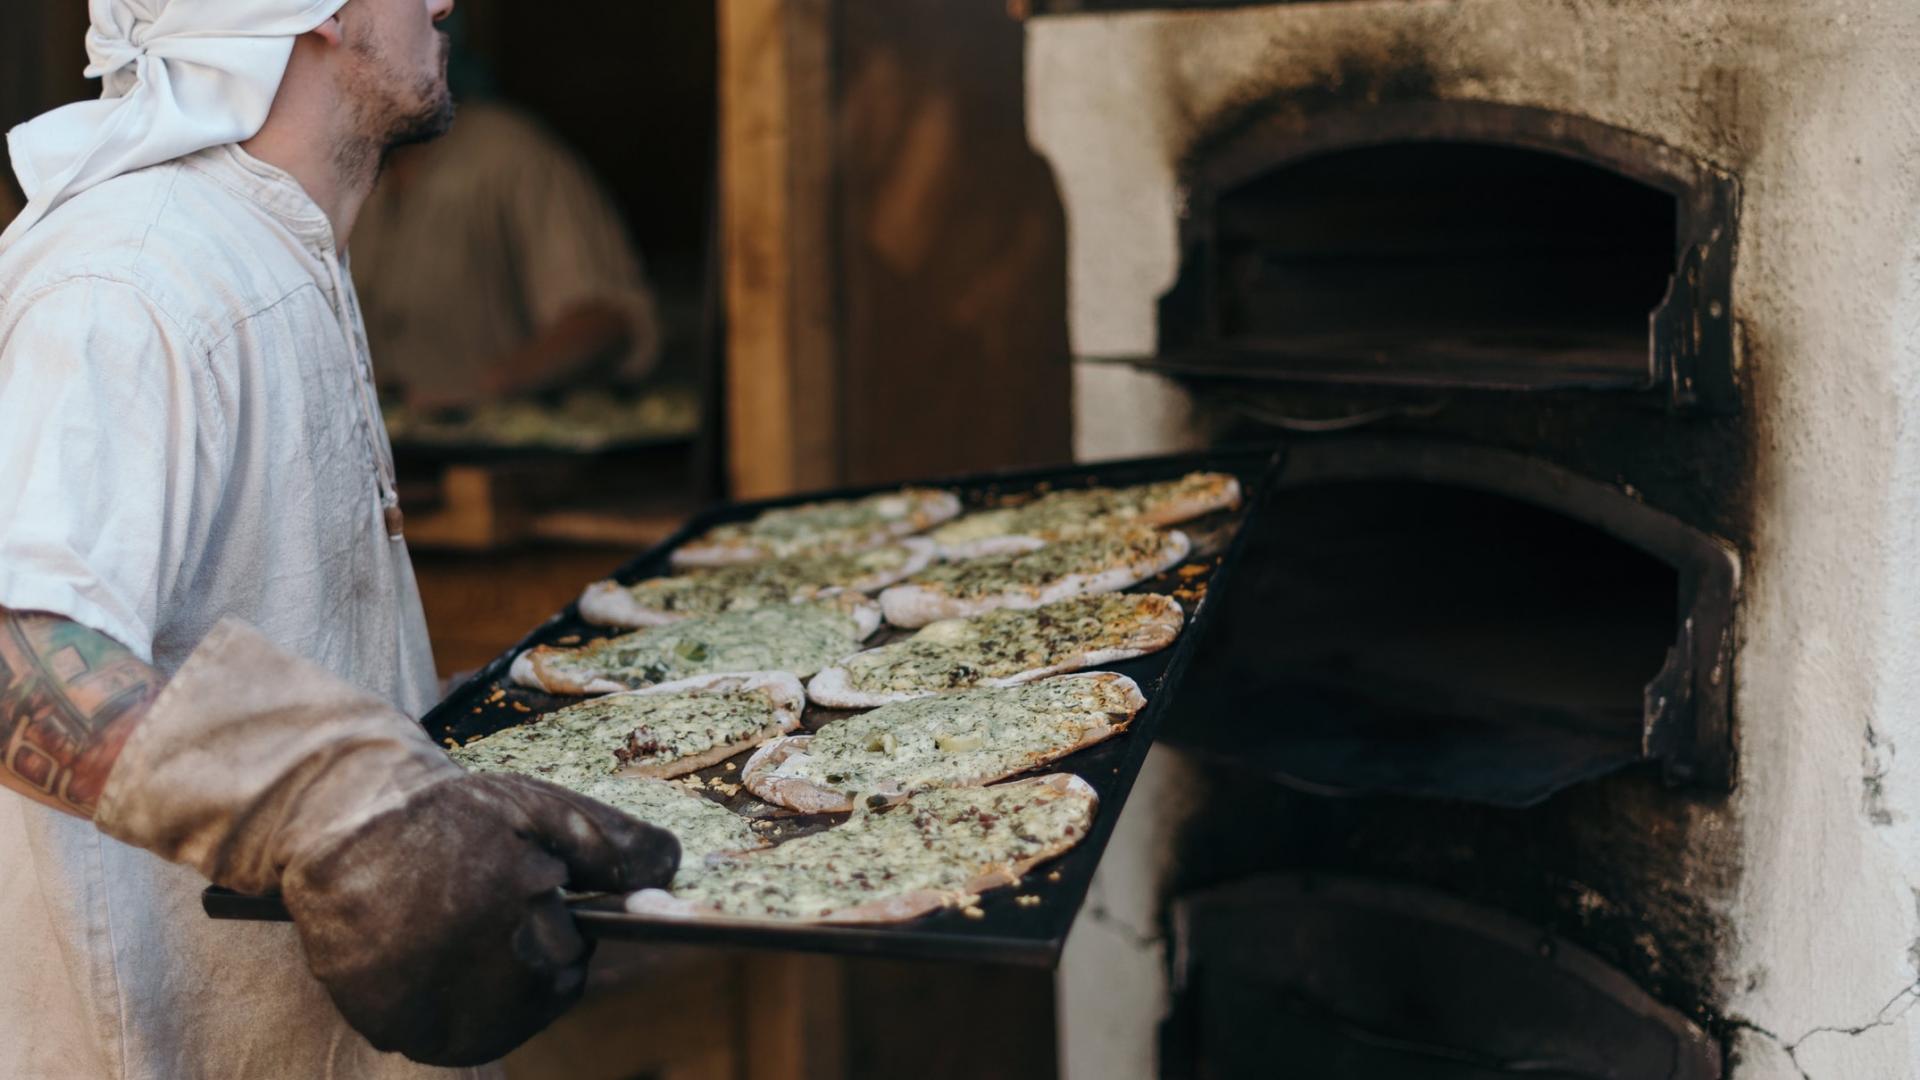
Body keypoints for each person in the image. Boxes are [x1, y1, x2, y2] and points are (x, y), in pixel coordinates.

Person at [0, 1, 680, 1077]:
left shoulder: (272, 247)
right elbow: (15, 658)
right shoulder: (126, 285)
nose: (444, 2)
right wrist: (329, 805)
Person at [354, 98, 663, 412]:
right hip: (385, 449)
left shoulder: (510, 155)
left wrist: (495, 386)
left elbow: (608, 318)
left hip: (506, 447)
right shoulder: (344, 166)